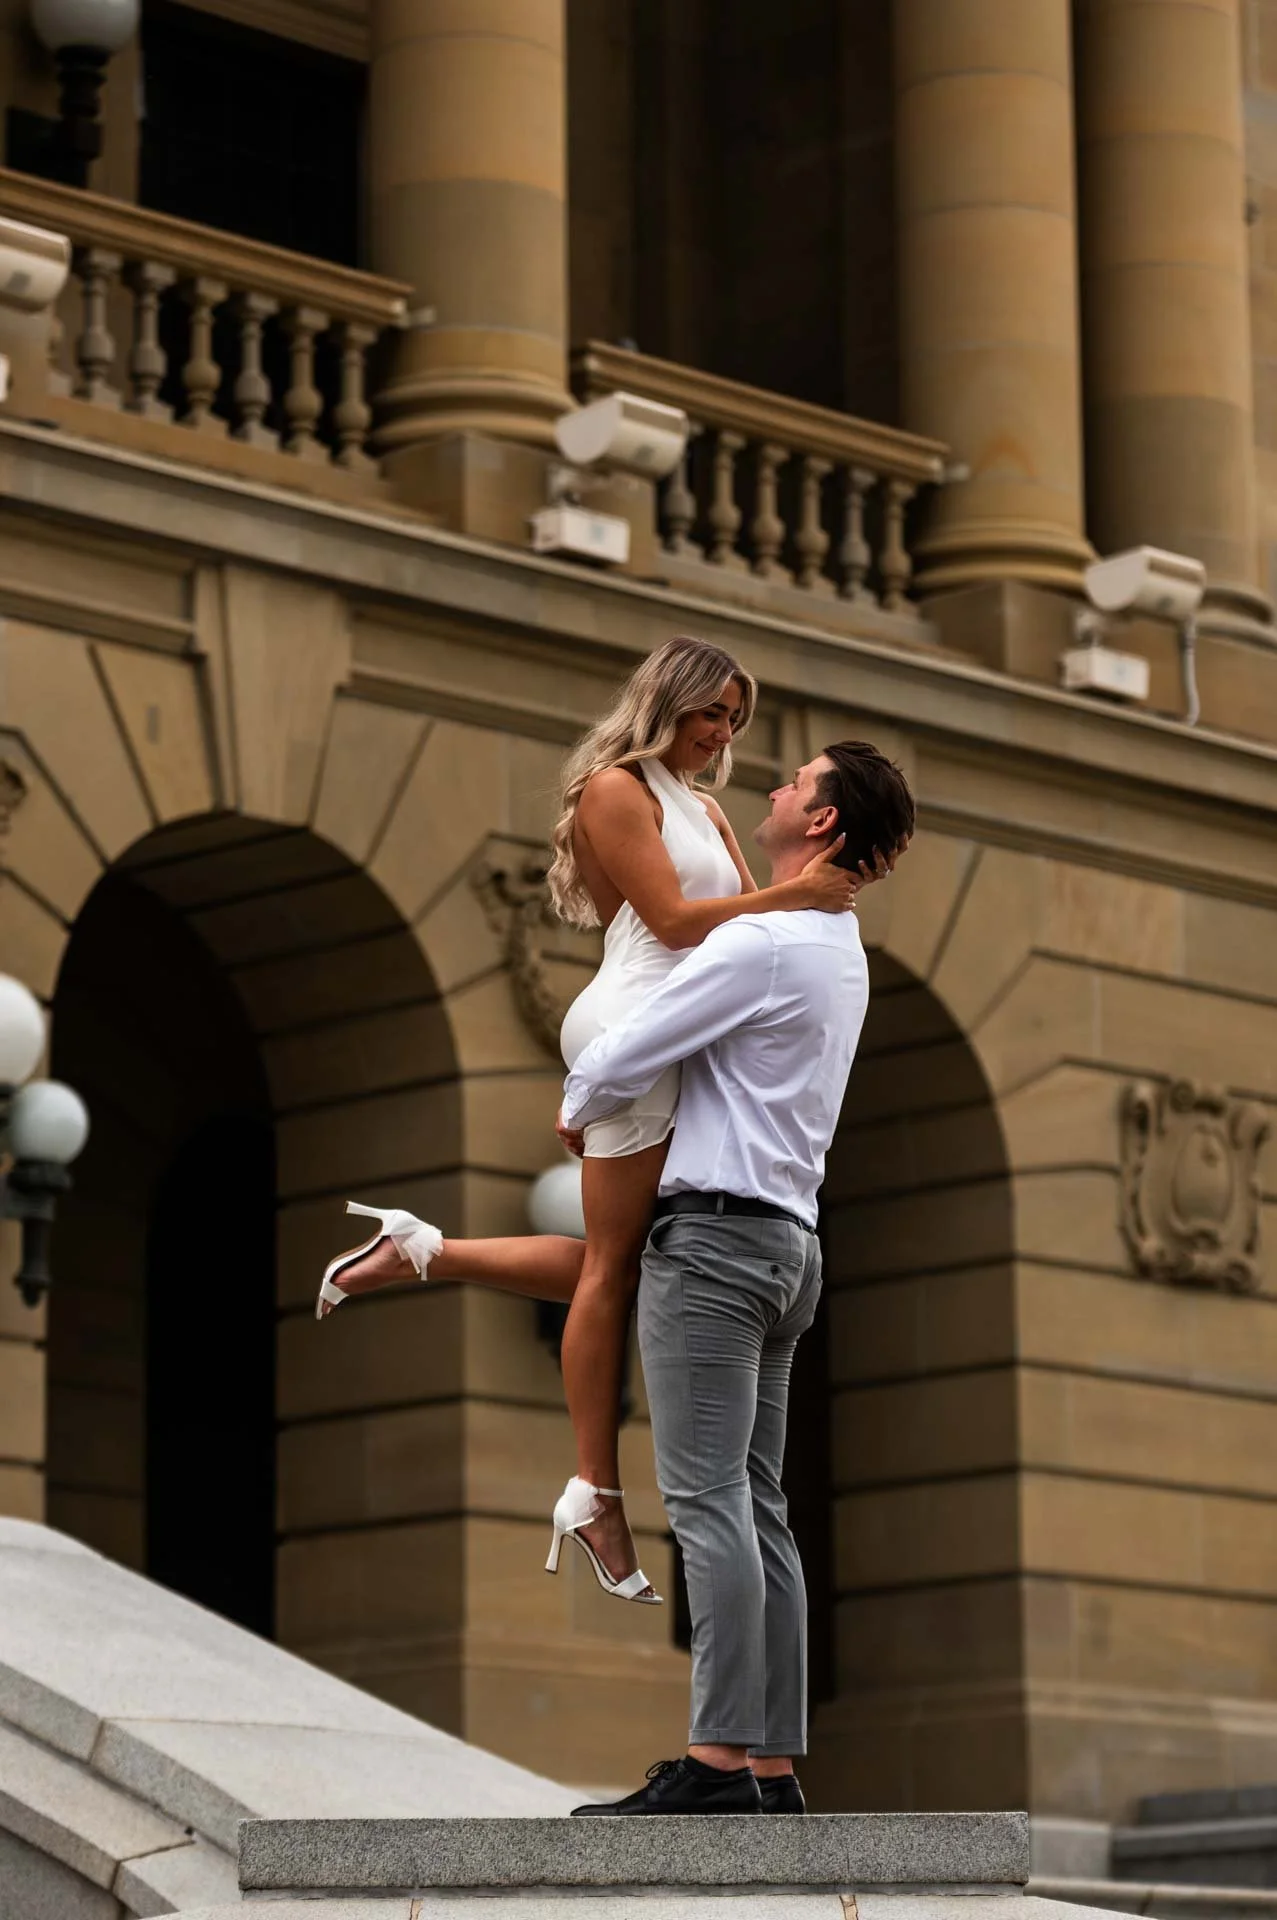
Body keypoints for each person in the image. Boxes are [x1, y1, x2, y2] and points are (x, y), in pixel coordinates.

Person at [314, 637, 883, 1603]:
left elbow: (744, 922)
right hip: (635, 1022)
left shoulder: (701, 807)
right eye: (712, 714)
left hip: (678, 1030)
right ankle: (594, 1487)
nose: (722, 735)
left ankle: (423, 1252)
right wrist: (801, 892)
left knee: (638, 1264)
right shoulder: (615, 791)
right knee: (619, 1270)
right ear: (670, 700)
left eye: (736, 722)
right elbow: (669, 922)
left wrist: (795, 914)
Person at [563, 742, 915, 1815]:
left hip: (714, 1245)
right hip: (786, 1246)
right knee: (759, 1507)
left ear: (819, 826)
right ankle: (768, 1763)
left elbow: (629, 1049)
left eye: (794, 784)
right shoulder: (837, 946)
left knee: (709, 1502)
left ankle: (716, 1761)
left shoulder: (763, 942)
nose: (771, 790)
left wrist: (577, 1104)